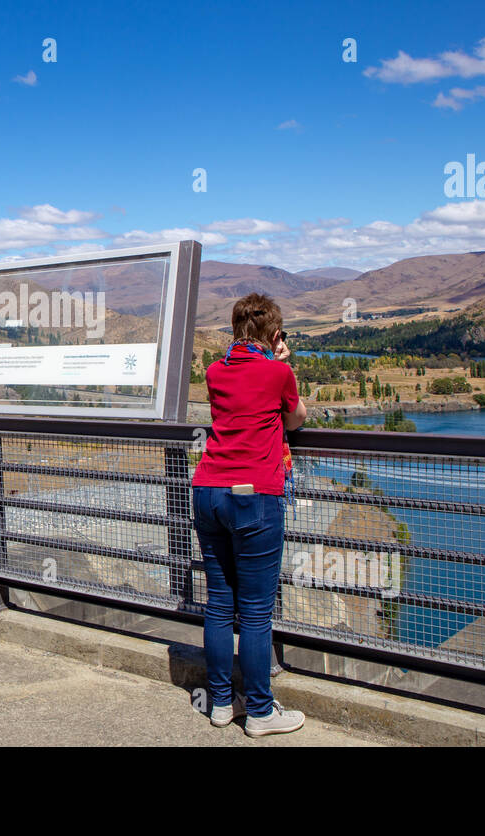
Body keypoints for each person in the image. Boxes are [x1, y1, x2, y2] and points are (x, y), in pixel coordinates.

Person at [190, 293, 308, 737]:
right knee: (256, 612)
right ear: (275, 334)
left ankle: (222, 703)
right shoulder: (279, 371)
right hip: (253, 494)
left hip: (207, 490)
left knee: (220, 603)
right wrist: (285, 362)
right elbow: (295, 420)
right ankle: (260, 711)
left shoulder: (215, 371)